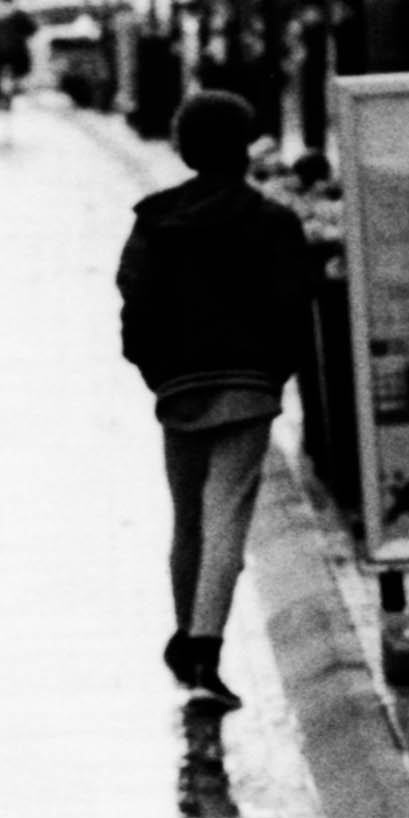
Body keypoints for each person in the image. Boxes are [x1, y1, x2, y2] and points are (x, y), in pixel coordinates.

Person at [116, 88, 317, 711]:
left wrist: (156, 370)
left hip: (179, 388)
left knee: (188, 518)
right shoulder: (272, 222)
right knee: (227, 514)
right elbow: (294, 307)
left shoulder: (154, 222)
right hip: (247, 388)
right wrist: (272, 372)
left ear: (182, 146)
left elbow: (136, 302)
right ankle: (204, 648)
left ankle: (186, 636)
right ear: (244, 147)